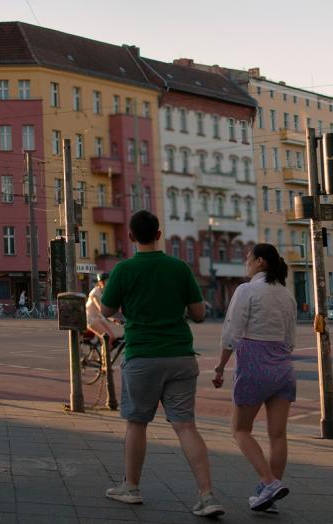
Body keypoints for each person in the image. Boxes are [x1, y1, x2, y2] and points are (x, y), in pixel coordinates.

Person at [100, 210, 224, 517]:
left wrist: (126, 307)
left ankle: (131, 487)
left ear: (130, 237)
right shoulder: (179, 268)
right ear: (159, 234)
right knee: (185, 426)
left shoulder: (123, 269)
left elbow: (106, 309)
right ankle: (207, 496)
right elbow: (198, 313)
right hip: (181, 356)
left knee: (137, 423)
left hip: (142, 356)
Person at [212, 244, 296, 513]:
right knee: (278, 434)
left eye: (248, 258)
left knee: (240, 429)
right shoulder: (287, 295)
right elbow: (290, 339)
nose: (246, 263)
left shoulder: (246, 290)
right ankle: (268, 493)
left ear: (260, 261)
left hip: (254, 365)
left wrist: (220, 366)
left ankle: (268, 482)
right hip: (283, 368)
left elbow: (232, 332)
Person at [86, 272, 123, 345]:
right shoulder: (95, 293)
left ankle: (104, 354)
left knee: (113, 337)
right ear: (101, 282)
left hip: (99, 318)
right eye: (107, 281)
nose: (109, 282)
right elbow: (101, 309)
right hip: (90, 319)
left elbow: (114, 305)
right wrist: (114, 319)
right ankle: (105, 356)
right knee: (108, 338)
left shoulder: (105, 292)